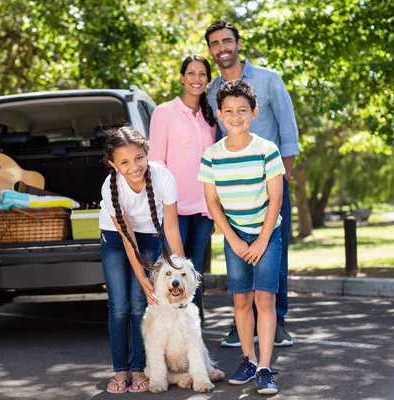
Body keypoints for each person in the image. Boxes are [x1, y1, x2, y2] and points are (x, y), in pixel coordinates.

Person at [204, 20, 299, 348]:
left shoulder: (269, 80)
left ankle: (278, 320)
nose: (222, 48)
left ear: (238, 43)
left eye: (226, 41)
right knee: (237, 251)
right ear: (211, 51)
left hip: (271, 184)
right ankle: (241, 324)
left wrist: (284, 178)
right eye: (215, 44)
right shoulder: (210, 91)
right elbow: (217, 139)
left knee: (276, 250)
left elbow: (288, 131)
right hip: (234, 189)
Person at [198, 79, 283, 394]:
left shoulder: (267, 150)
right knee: (242, 299)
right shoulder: (212, 156)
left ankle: (264, 367)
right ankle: (247, 359)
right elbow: (212, 202)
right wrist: (232, 239)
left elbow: (276, 198)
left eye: (242, 110)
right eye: (229, 111)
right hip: (234, 237)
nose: (236, 116)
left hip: (266, 234)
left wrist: (261, 240)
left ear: (254, 112)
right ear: (219, 114)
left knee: (265, 299)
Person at [99, 126, 185, 394]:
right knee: (119, 306)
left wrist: (179, 269)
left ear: (146, 154)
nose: (134, 166)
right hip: (116, 237)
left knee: (140, 304)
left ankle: (139, 369)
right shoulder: (110, 187)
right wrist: (142, 277)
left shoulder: (163, 178)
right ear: (113, 164)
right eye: (124, 162)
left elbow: (171, 228)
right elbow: (127, 239)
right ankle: (120, 370)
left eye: (138, 158)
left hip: (150, 234)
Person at [149, 54, 218, 307]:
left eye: (202, 74)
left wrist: (214, 210)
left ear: (208, 80)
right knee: (172, 270)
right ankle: (167, 333)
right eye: (191, 73)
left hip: (203, 208)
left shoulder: (210, 119)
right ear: (182, 77)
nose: (196, 79)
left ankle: (193, 333)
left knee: (193, 271)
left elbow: (211, 166)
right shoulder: (163, 112)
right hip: (173, 209)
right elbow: (156, 162)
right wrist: (163, 207)